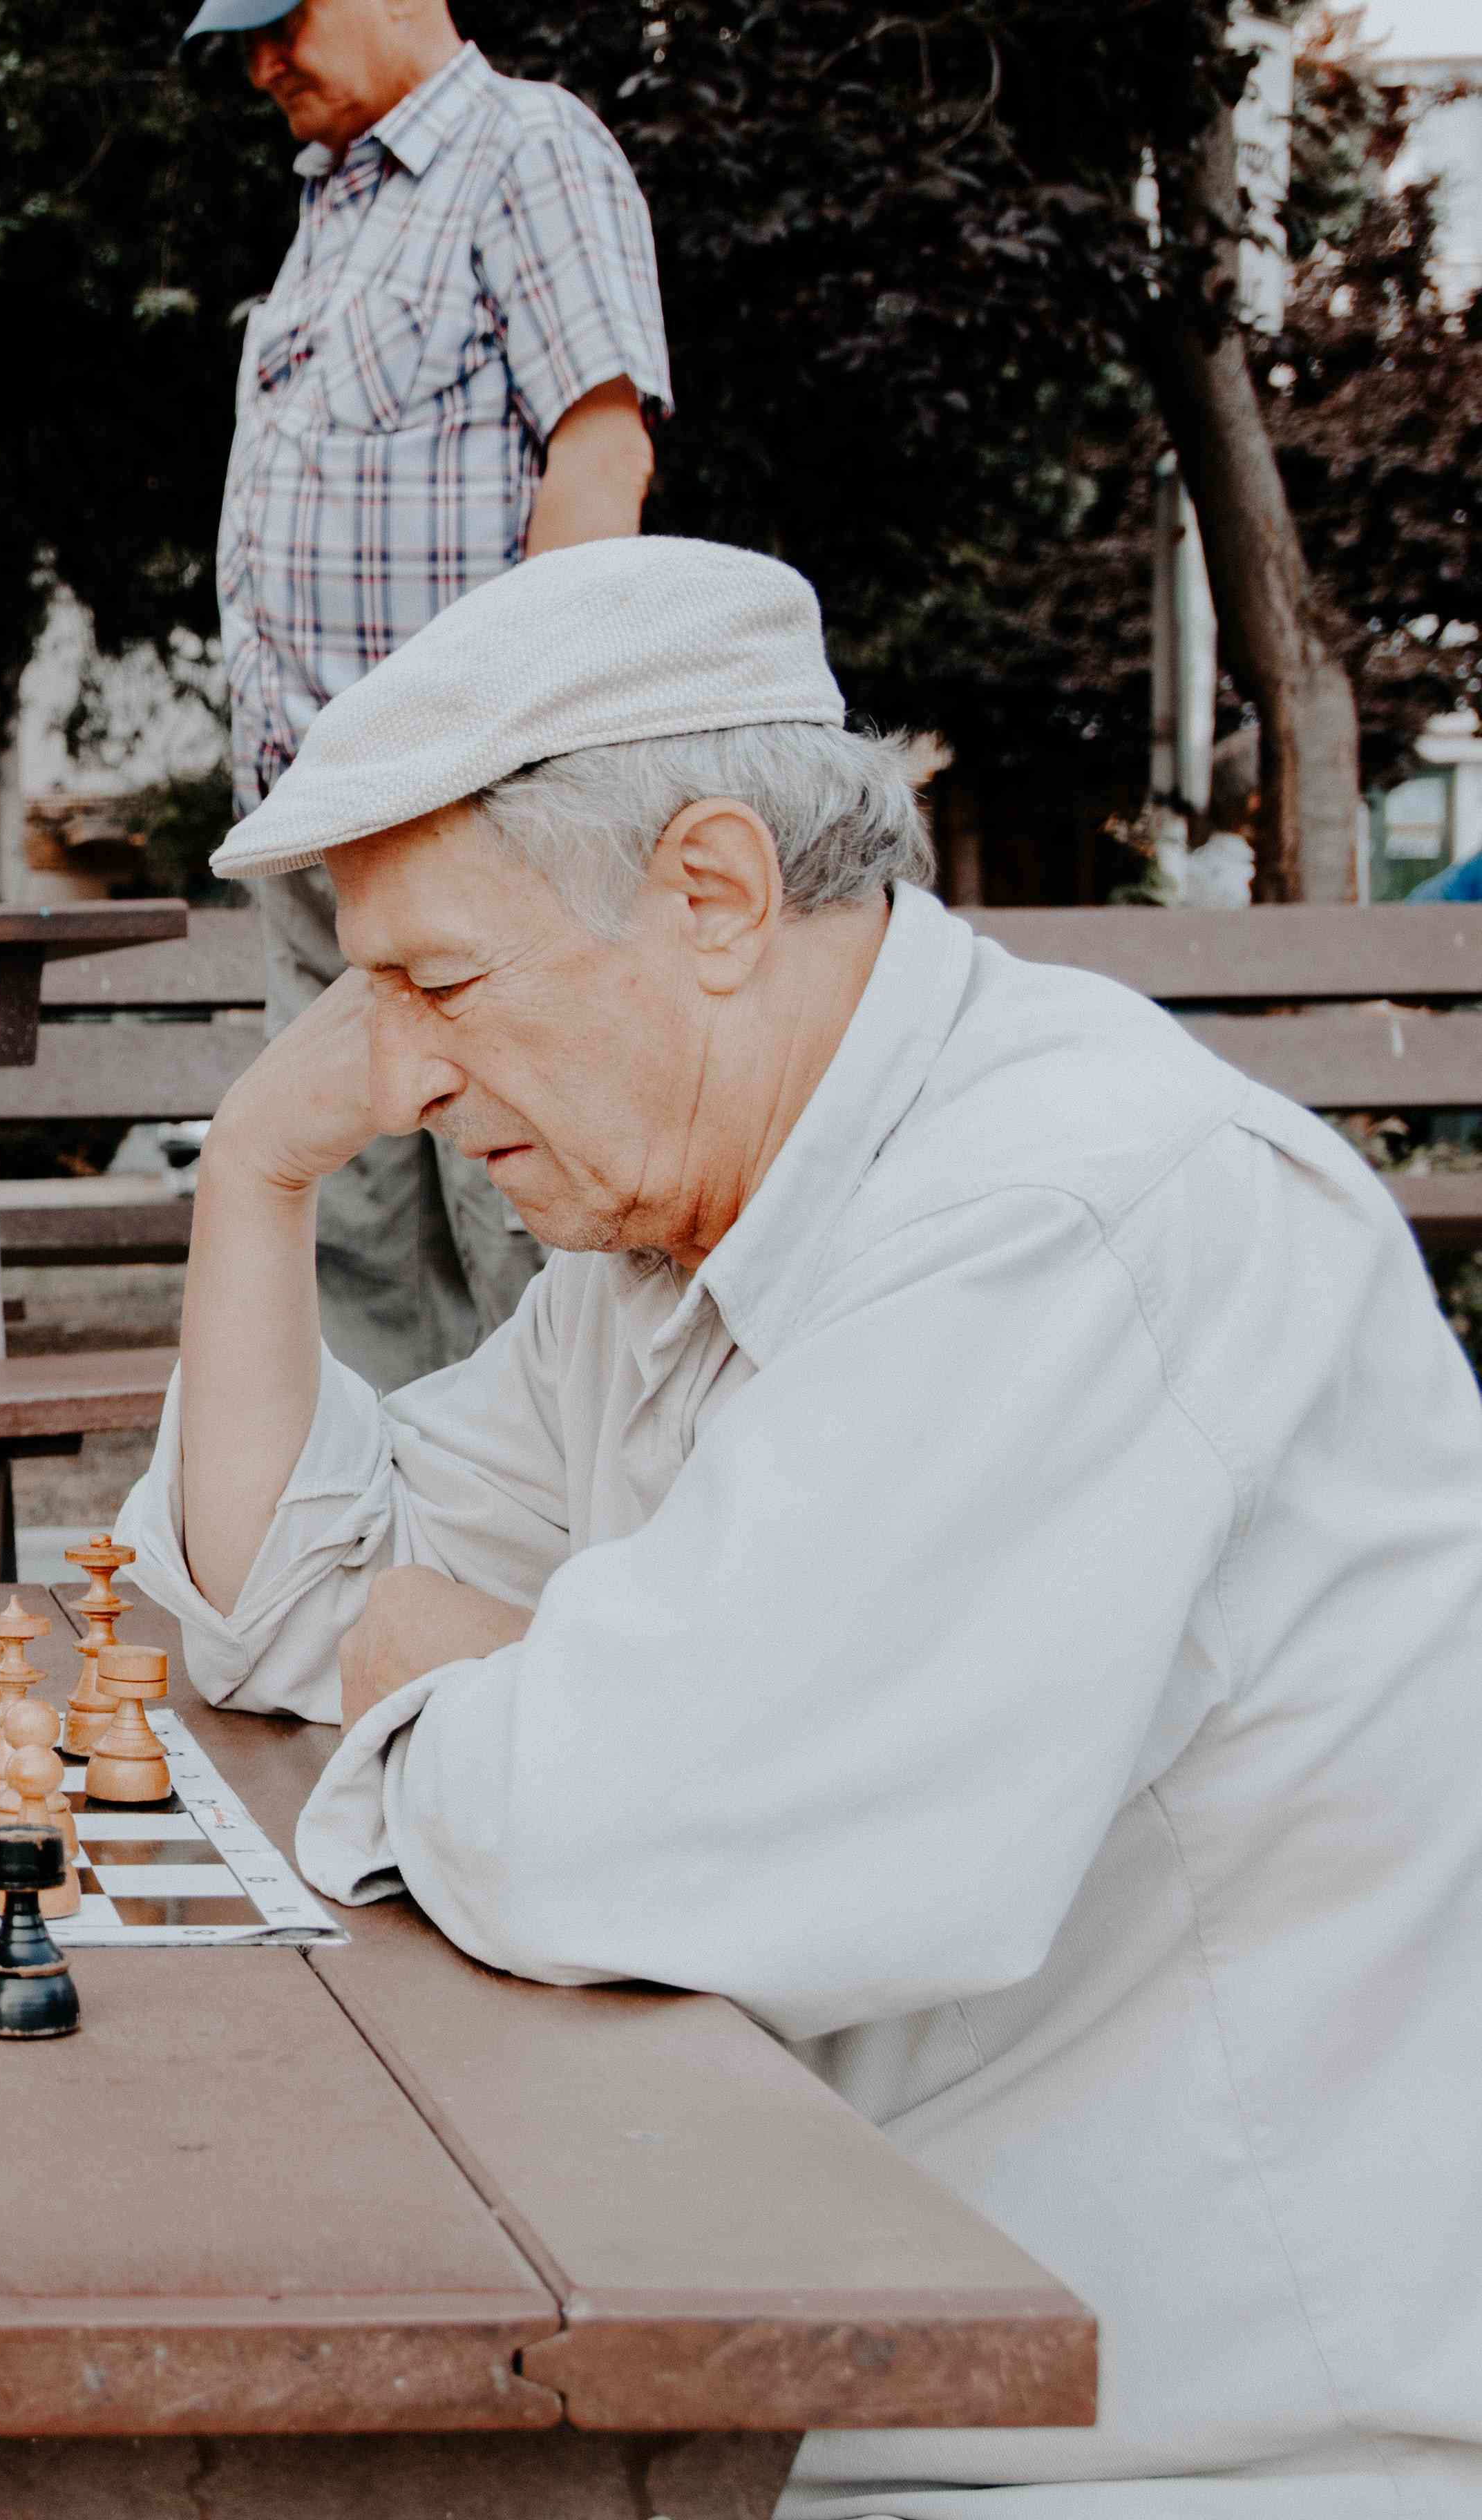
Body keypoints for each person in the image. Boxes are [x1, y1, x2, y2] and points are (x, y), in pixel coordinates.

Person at [119, 537, 1482, 2511]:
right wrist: (251, 1173)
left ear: (715, 896)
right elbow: (285, 1614)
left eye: (442, 983)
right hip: (835, 2333)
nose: (401, 1076)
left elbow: (626, 1836)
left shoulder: (1065, 1219)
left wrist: (474, 1668)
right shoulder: (674, 1231)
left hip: (1171, 2437)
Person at [184, 0, 667, 1390]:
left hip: (468, 817)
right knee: (353, 1246)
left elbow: (599, 456)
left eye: (282, 20)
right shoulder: (331, 206)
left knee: (521, 1226)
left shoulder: (530, 151)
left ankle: (560, 1590)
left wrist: (512, 769)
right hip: (310, 829)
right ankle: (392, 1583)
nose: (259, 61)